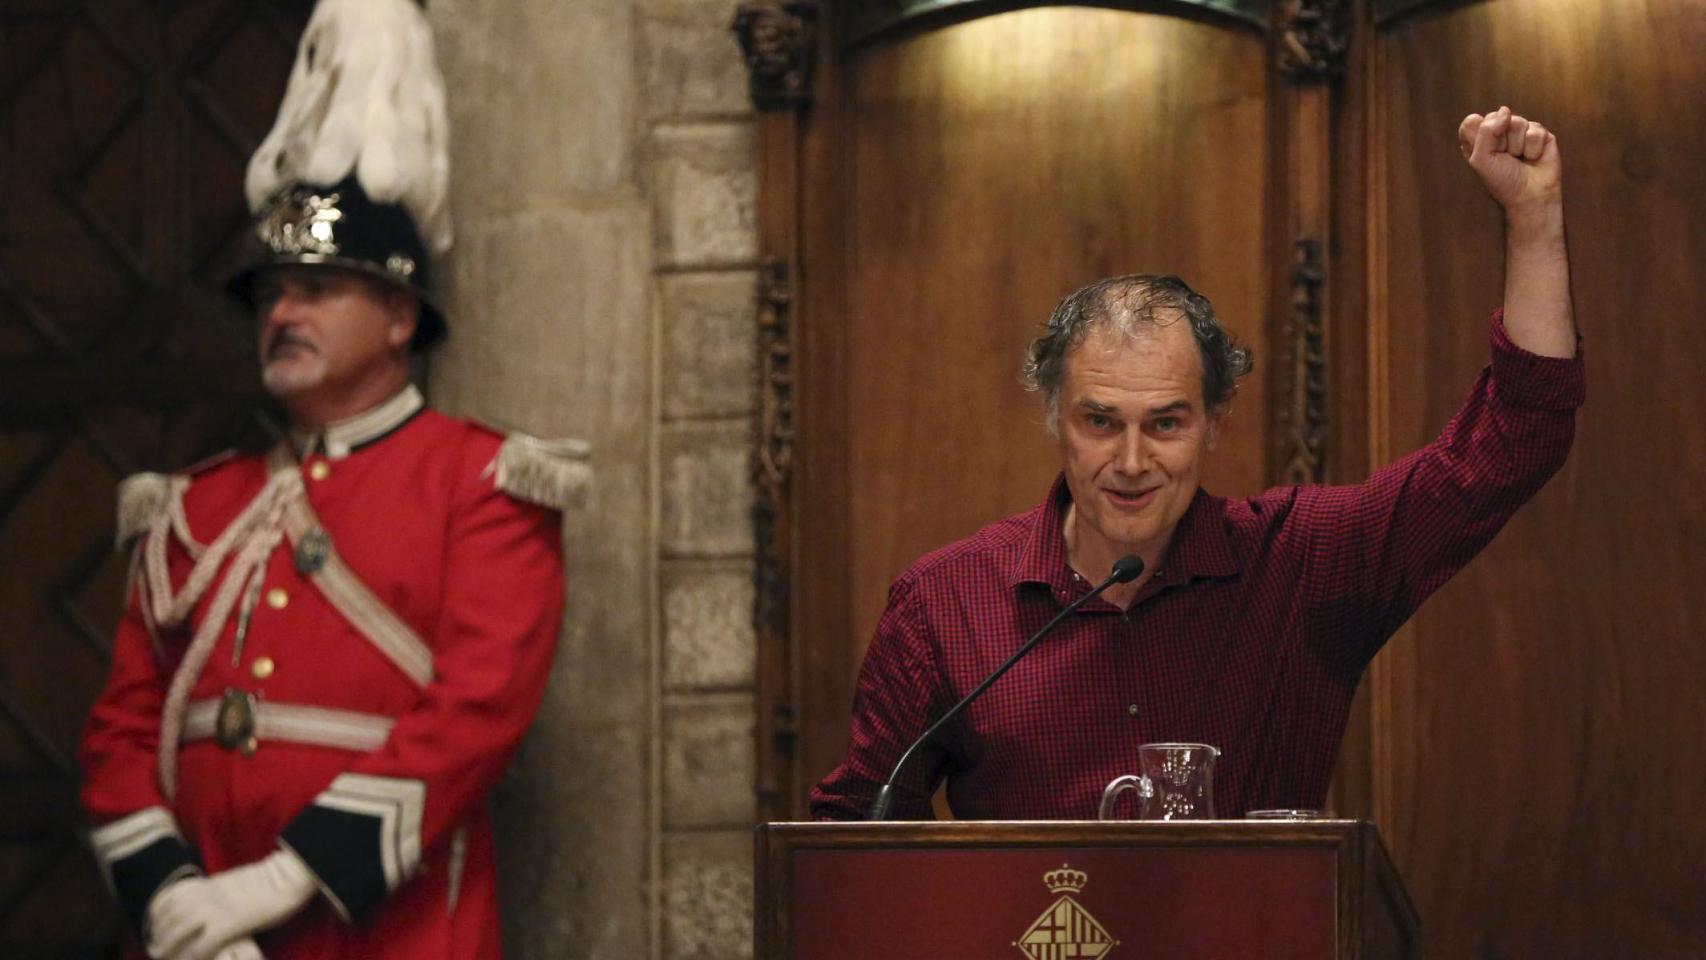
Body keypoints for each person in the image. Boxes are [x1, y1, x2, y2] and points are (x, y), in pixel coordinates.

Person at [810, 106, 1582, 821]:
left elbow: (1513, 443)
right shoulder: (944, 604)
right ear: (1056, 418)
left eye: (1167, 422)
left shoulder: (1302, 562)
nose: (1133, 461)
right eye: (1100, 422)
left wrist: (1534, 217)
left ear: (1215, 420)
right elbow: (853, 848)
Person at [77, 2, 587, 958]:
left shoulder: (483, 482)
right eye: (271, 294)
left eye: (317, 289)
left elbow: (475, 713)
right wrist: (178, 902)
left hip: (387, 931)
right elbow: (122, 731)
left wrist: (285, 878)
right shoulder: (193, 506)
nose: (283, 313)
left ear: (399, 315)